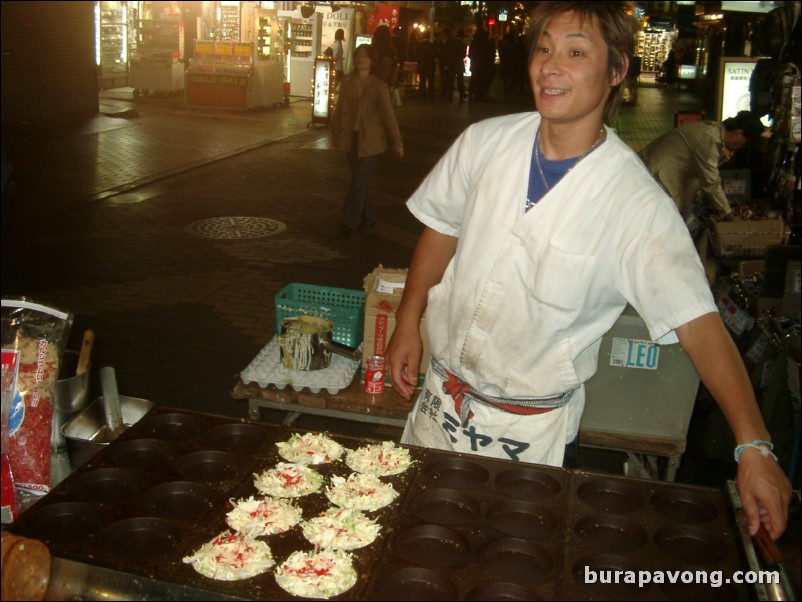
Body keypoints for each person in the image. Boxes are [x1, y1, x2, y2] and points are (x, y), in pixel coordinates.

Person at [384, 2, 791, 540]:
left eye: (576, 52)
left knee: (508, 564)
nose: (551, 66)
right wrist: (408, 321)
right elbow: (441, 227)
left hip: (527, 435)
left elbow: (697, 321)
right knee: (417, 546)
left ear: (617, 70)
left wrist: (754, 445)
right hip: (441, 406)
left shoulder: (634, 203)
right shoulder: (485, 143)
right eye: (545, 48)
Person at [331, 44, 404, 236]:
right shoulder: (346, 82)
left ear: (372, 61)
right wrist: (335, 133)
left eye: (365, 56)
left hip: (372, 142)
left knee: (358, 182)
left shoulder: (379, 86)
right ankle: (369, 218)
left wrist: (397, 142)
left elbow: (389, 117)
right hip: (351, 139)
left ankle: (349, 222)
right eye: (358, 55)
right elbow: (339, 110)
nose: (360, 59)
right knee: (359, 181)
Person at [638, 110, 766, 220]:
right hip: (656, 176)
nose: (743, 146)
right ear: (738, 133)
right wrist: (728, 213)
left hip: (658, 174)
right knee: (659, 223)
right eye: (746, 142)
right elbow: (711, 182)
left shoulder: (713, 131)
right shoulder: (709, 140)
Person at [441, 27, 467, 102]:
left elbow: (447, 53)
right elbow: (463, 55)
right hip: (459, 64)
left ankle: (449, 96)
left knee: (451, 81)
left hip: (451, 64)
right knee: (460, 81)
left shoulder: (452, 42)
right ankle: (462, 95)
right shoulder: (462, 44)